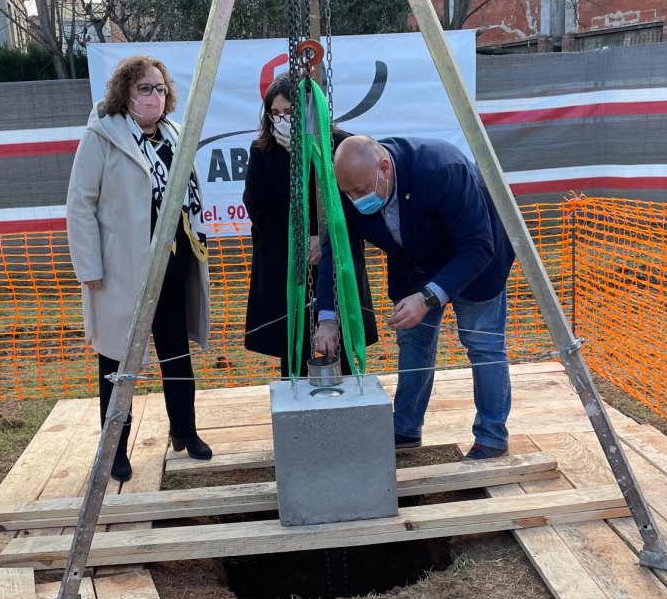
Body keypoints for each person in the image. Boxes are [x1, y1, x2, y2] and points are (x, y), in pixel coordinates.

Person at [313, 135, 515, 460]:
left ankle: (491, 437)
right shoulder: (350, 187)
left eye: (361, 191)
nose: (354, 200)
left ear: (384, 167)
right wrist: (327, 319)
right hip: (415, 261)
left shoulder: (442, 168)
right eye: (347, 193)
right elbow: (337, 254)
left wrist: (428, 297)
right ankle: (404, 429)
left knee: (483, 344)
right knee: (413, 342)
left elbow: (478, 245)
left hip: (476, 259)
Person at [66, 55, 214, 482]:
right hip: (121, 272)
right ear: (125, 92)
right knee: (118, 362)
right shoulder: (101, 136)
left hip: (171, 265)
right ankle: (114, 448)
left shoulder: (175, 134)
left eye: (161, 89)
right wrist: (89, 266)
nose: (154, 96)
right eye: (145, 89)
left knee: (176, 356)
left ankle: (185, 432)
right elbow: (80, 205)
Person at [243, 73, 378, 378]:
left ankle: (345, 400)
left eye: (289, 113)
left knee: (339, 340)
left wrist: (326, 239)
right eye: (274, 114)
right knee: (294, 343)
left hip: (335, 254)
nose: (281, 120)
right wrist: (299, 241)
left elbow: (351, 200)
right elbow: (257, 205)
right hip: (287, 258)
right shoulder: (262, 151)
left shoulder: (342, 145)